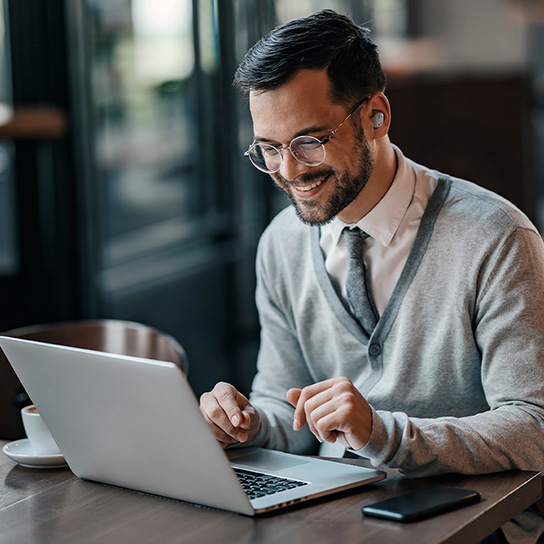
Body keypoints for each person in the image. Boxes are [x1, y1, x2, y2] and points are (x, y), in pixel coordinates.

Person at [199, 10, 544, 542]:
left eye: (309, 140)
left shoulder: (495, 237)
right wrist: (242, 425)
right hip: (333, 514)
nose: (289, 172)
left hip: (473, 523)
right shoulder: (282, 242)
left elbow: (533, 425)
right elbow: (280, 406)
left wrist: (382, 433)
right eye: (269, 149)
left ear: (376, 116)